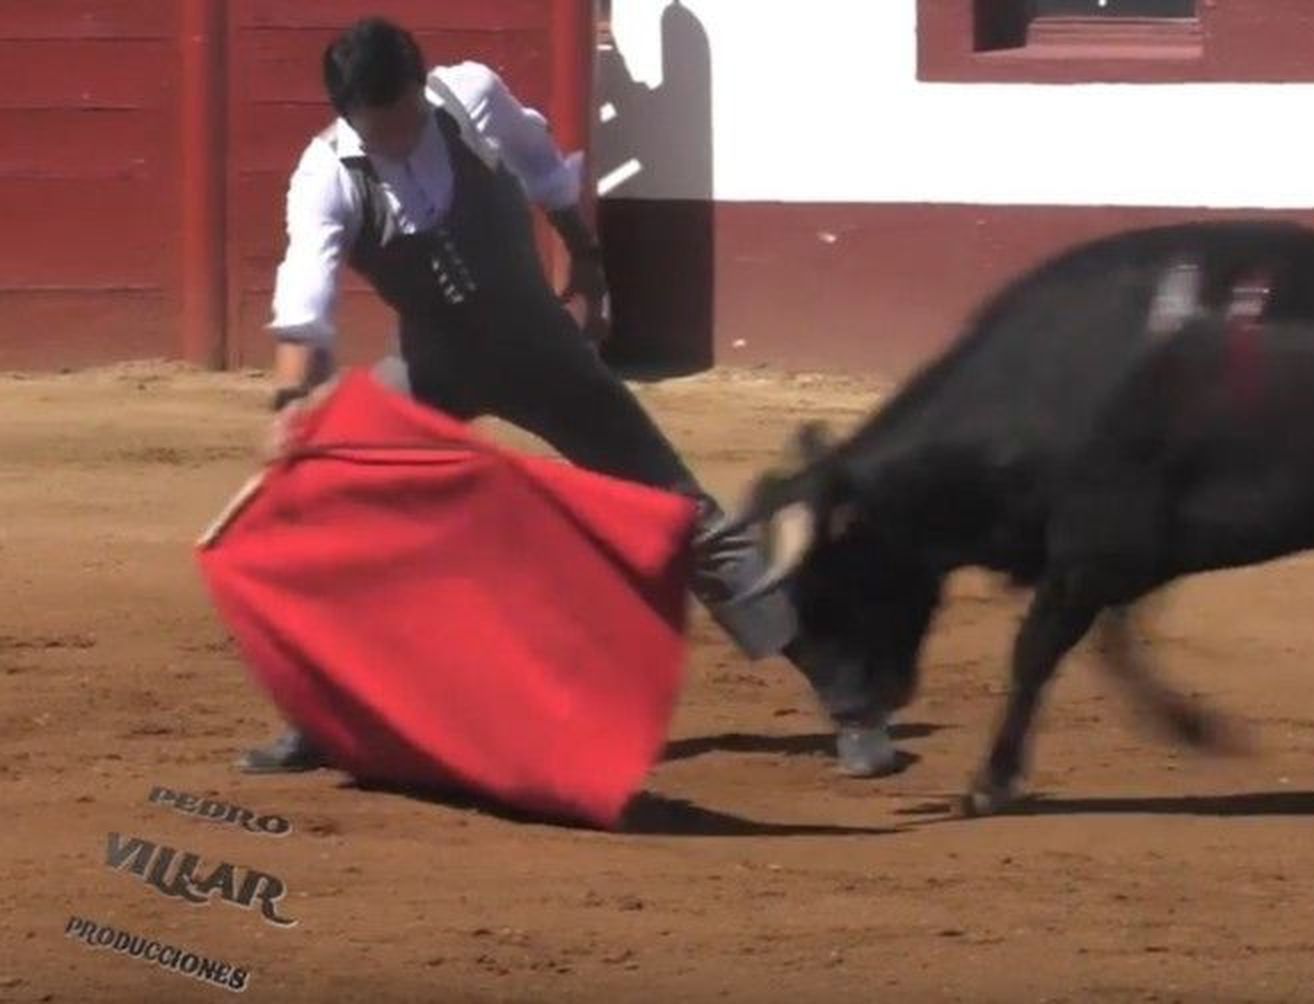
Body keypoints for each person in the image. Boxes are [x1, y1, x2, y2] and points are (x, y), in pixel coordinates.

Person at [236, 17, 898, 778]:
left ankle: (853, 701)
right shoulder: (325, 174)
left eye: (403, 119)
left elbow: (543, 170)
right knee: (326, 499)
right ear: (347, 113)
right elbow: (305, 299)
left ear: (421, 88)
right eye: (374, 127)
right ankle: (320, 712)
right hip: (432, 365)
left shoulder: (470, 95)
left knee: (683, 516)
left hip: (543, 354)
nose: (393, 138)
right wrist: (291, 403)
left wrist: (584, 257)